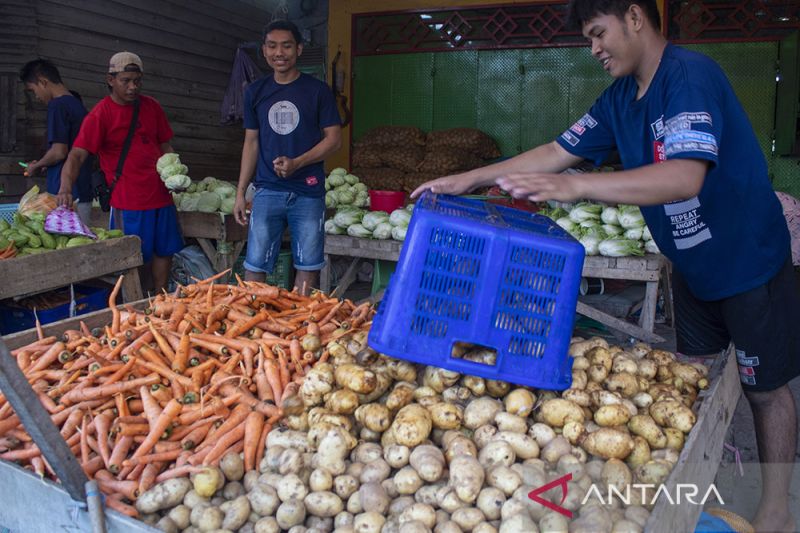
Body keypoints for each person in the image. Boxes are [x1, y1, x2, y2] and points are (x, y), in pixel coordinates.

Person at [412, 1, 799, 531]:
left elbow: (684, 176)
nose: (594, 49)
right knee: (696, 387)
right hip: (689, 266)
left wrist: (577, 185)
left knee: (765, 388)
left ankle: (776, 504)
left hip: (748, 260)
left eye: (599, 34)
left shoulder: (689, 76)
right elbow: (557, 150)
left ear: (634, 17)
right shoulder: (619, 99)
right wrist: (470, 178)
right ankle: (709, 484)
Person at [57, 52, 182, 293]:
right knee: (134, 257)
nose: (133, 87)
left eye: (137, 81)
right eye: (126, 80)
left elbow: (166, 146)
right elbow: (76, 155)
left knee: (164, 250)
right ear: (110, 79)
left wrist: (174, 173)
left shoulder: (152, 107)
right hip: (129, 201)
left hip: (162, 197)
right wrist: (65, 187)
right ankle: (136, 305)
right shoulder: (100, 115)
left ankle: (161, 299)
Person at [233, 20, 342, 296]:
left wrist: (298, 162)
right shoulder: (255, 92)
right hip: (267, 190)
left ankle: (299, 320)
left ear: (299, 49)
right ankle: (253, 318)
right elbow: (251, 142)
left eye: (286, 46)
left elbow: (334, 139)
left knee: (308, 263)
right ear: (264, 50)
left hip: (307, 189)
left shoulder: (318, 91)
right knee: (255, 263)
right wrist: (240, 192)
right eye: (272, 46)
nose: (279, 53)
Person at [19, 59, 94, 224]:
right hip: (81, 188)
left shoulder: (57, 106)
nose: (37, 97)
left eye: (33, 90)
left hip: (65, 195)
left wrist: (36, 165)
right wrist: (47, 163)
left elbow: (59, 152)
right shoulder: (76, 105)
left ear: (43, 82)